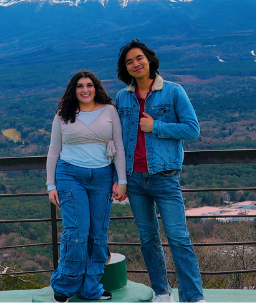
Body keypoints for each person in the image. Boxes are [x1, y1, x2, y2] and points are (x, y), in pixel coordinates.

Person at [114, 40, 206, 303]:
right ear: (126, 68)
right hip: (134, 180)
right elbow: (118, 142)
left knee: (178, 238)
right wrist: (118, 179)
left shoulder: (174, 92)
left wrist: (157, 126)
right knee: (148, 240)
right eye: (130, 61)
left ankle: (193, 297)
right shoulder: (123, 97)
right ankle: (162, 292)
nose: (136, 63)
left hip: (165, 177)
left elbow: (192, 129)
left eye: (139, 58)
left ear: (149, 60)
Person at [46, 70, 127, 302]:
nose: (85, 90)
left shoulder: (109, 111)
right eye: (79, 86)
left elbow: (119, 148)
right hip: (70, 175)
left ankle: (90, 288)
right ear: (73, 89)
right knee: (77, 233)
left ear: (96, 87)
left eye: (89, 85)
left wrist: (121, 180)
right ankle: (64, 285)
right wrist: (50, 184)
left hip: (103, 176)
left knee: (98, 234)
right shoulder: (63, 114)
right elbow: (54, 150)